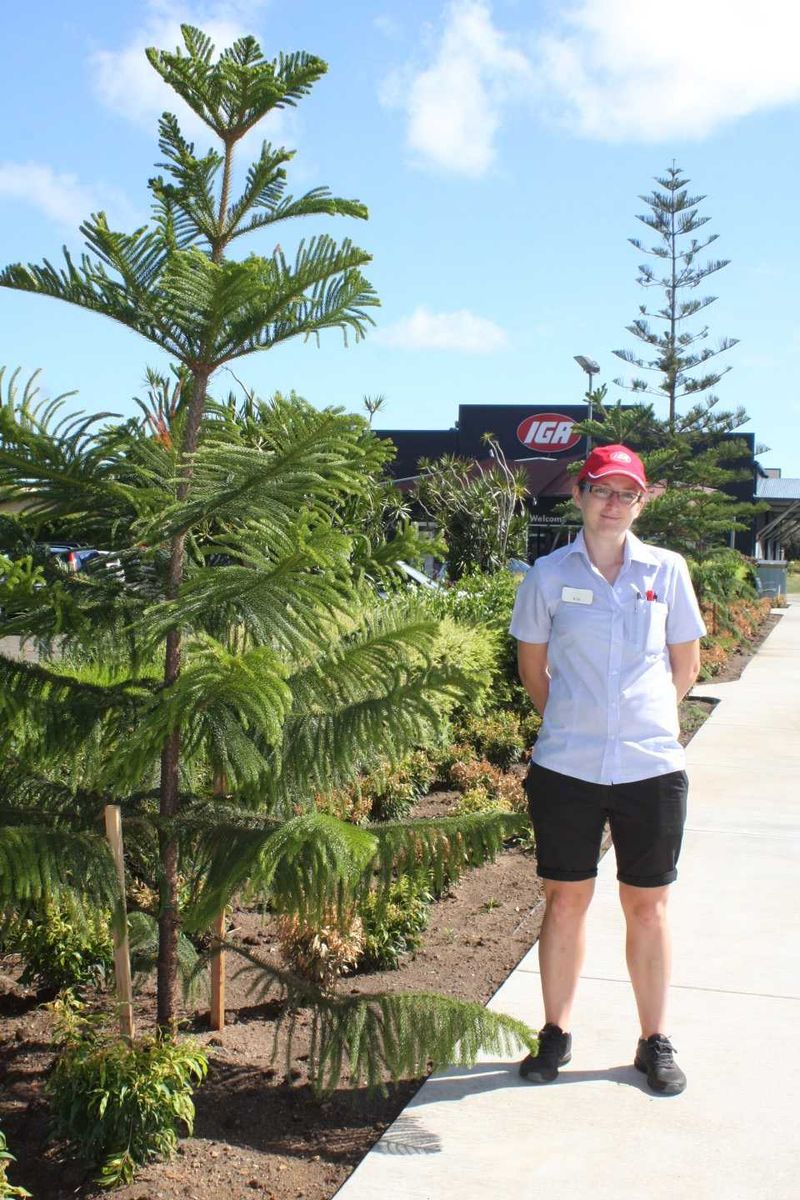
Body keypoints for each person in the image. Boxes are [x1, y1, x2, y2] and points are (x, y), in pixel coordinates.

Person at [508, 443, 706, 1095]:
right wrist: (575, 719)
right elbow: (533, 670)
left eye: (627, 493)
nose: (613, 503)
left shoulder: (667, 571)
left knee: (647, 906)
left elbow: (686, 666)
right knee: (565, 900)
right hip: (567, 765)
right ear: (579, 495)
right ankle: (556, 1033)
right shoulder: (546, 574)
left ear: (641, 501)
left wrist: (640, 722)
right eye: (602, 490)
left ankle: (654, 1040)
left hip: (650, 766)